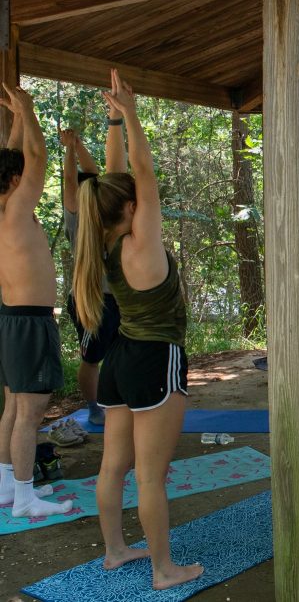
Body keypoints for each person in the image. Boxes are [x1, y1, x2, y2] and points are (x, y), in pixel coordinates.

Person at [74, 69, 202, 589]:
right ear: (131, 209)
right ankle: (163, 569)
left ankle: (114, 551)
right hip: (154, 358)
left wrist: (113, 118)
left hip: (119, 362)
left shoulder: (101, 239)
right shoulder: (140, 244)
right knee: (150, 476)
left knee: (113, 466)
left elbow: (118, 176)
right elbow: (141, 173)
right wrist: (129, 113)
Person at [0, 84, 73, 519]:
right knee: (30, 412)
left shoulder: (3, 205)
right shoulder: (15, 208)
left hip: (12, 319)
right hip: (28, 323)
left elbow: (11, 157)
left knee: (13, 406)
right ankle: (25, 497)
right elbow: (37, 160)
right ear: (14, 180)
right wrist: (27, 109)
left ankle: (9, 484)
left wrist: (18, 120)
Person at [62, 108, 127, 426]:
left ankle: (115, 401)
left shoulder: (105, 213)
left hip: (116, 298)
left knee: (117, 354)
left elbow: (92, 172)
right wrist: (68, 153)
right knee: (91, 358)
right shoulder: (77, 218)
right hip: (89, 299)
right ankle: (93, 407)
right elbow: (71, 183)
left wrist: (76, 145)